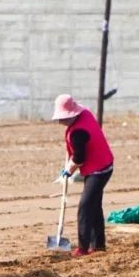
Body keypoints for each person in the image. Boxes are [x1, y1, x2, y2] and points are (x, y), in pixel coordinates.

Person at [51, 94, 114, 257]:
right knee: (94, 205)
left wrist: (68, 170)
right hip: (105, 163)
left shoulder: (77, 133)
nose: (60, 122)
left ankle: (83, 248)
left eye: (63, 118)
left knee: (85, 207)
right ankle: (98, 245)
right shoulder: (85, 113)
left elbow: (80, 158)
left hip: (99, 170)